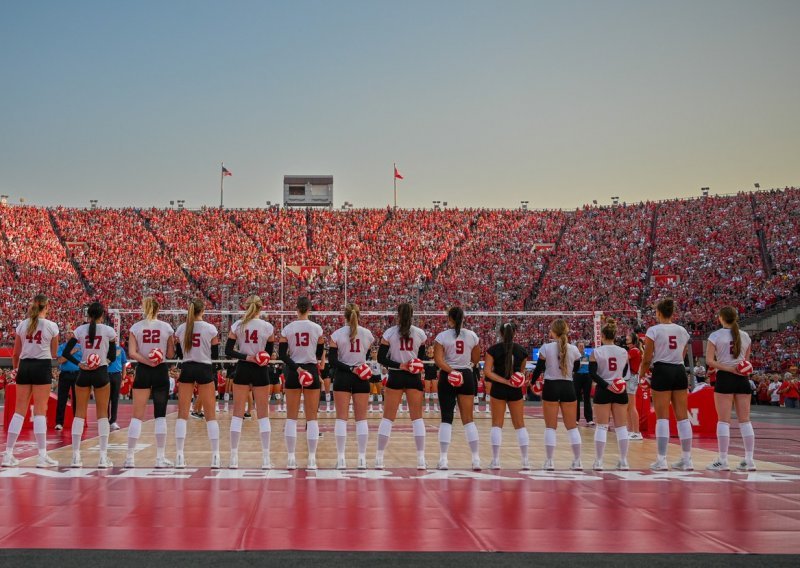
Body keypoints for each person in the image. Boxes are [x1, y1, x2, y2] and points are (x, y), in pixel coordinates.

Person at [2, 295, 60, 468]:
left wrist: (16, 369)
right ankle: (42, 456)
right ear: (46, 307)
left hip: (25, 366)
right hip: (42, 365)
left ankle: (8, 453)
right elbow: (54, 352)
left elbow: (15, 353)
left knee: (19, 411)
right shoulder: (51, 326)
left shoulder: (22, 324)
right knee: (41, 410)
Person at [62, 302, 118, 468]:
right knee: (102, 415)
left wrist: (80, 363)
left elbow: (66, 352)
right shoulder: (109, 331)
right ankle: (102, 457)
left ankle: (75, 456)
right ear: (102, 315)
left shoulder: (79, 330)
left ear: (88, 315)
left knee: (79, 414)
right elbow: (113, 356)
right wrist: (103, 362)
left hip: (84, 372)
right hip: (101, 372)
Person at [639, 298, 692, 471]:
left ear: (659, 313)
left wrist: (641, 375)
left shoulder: (653, 330)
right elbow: (682, 353)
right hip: (679, 370)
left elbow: (647, 358)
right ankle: (687, 459)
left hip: (662, 370)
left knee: (662, 417)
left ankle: (661, 460)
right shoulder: (682, 330)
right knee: (682, 417)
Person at [225, 295, 276, 469]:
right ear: (261, 308)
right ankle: (266, 458)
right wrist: (259, 357)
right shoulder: (267, 327)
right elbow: (268, 354)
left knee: (238, 412)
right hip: (261, 369)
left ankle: (233, 457)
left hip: (244, 367)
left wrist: (247, 356)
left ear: (246, 306)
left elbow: (228, 351)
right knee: (263, 413)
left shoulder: (237, 325)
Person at [124, 297, 176, 468]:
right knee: (160, 415)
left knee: (137, 416)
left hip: (144, 370)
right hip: (160, 370)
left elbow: (132, 353)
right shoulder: (166, 327)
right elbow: (169, 355)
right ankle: (160, 458)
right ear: (158, 309)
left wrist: (147, 361)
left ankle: (130, 458)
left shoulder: (136, 327)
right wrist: (157, 358)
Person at [376, 302, 428, 470]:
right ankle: (421, 459)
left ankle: (379, 458)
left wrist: (400, 365)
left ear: (398, 314)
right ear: (412, 314)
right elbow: (420, 358)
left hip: (396, 375)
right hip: (414, 377)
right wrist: (411, 364)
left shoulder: (390, 333)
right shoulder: (420, 333)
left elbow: (381, 358)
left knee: (388, 418)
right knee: (417, 419)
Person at [706, 306, 756, 471]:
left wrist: (726, 368)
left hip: (725, 378)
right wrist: (736, 368)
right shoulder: (745, 336)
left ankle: (723, 459)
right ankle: (749, 459)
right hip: (743, 379)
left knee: (723, 420)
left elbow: (709, 361)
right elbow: (745, 363)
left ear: (721, 318)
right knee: (745, 421)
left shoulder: (716, 335)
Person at [279, 296, 325, 470]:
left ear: (296, 309)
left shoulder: (288, 328)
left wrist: (297, 369)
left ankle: (291, 458)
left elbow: (283, 354)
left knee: (291, 417)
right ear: (309, 309)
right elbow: (320, 351)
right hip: (311, 370)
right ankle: (311, 458)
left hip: (293, 371)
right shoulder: (317, 328)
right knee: (312, 418)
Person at [174, 298, 221, 468]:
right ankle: (216, 456)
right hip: (204, 368)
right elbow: (215, 355)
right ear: (203, 310)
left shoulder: (181, 328)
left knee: (183, 414)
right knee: (210, 415)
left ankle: (179, 455)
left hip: (187, 367)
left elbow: (179, 354)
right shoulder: (210, 328)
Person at [433, 307, 481, 470]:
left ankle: (444, 459)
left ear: (450, 319)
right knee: (468, 419)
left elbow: (438, 360)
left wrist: (452, 372)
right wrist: (463, 369)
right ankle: (476, 459)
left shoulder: (442, 336)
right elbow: (475, 359)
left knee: (446, 418)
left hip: (448, 376)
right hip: (466, 376)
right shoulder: (472, 336)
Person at [328, 303, 375, 470]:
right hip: (361, 376)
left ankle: (341, 459)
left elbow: (332, 361)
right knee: (361, 419)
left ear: (345, 316)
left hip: (343, 375)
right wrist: (357, 367)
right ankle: (361, 459)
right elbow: (366, 354)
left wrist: (349, 368)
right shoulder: (368, 334)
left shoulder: (337, 334)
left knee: (342, 418)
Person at [531, 319, 582, 470]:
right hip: (568, 386)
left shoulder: (546, 348)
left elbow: (539, 368)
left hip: (551, 386)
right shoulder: (573, 349)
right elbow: (577, 368)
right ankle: (578, 461)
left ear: (553, 332)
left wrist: (532, 382)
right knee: (572, 427)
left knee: (550, 427)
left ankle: (549, 461)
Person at [483, 322, 530, 470]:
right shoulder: (522, 351)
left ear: (501, 333)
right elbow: (521, 373)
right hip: (515, 390)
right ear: (515, 333)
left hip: (498, 388)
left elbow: (487, 372)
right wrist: (516, 381)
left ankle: (496, 460)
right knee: (520, 424)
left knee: (497, 424)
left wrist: (504, 381)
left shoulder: (493, 350)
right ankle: (525, 461)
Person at [588, 318, 630, 471]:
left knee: (601, 427)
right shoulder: (624, 352)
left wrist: (606, 385)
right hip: (620, 390)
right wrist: (616, 382)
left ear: (603, 335)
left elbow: (592, 374)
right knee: (621, 427)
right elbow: (624, 372)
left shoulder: (596, 352)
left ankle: (599, 461)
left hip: (604, 390)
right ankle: (624, 461)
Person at [55, 329, 81, 431]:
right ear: (65, 335)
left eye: (71, 332)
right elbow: (60, 360)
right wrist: (71, 352)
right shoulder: (62, 347)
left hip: (77, 374)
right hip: (65, 374)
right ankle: (59, 423)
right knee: (62, 399)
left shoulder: (80, 347)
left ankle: (77, 422)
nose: (69, 334)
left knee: (77, 399)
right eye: (68, 332)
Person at [625, 332, 644, 440]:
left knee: (632, 406)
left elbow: (623, 360)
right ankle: (631, 430)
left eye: (628, 338)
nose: (626, 339)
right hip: (630, 378)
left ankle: (636, 431)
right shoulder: (633, 350)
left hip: (631, 378)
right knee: (629, 407)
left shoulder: (634, 350)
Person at [107, 340, 128, 431]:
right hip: (105, 374)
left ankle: (113, 421)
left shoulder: (120, 349)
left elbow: (124, 364)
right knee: (105, 399)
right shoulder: (104, 348)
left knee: (115, 399)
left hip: (116, 375)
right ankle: (105, 419)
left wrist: (123, 378)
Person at [573, 341, 594, 426]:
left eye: (583, 346)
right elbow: (572, 368)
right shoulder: (575, 357)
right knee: (576, 398)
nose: (582, 347)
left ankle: (589, 419)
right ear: (577, 347)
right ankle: (576, 418)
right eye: (580, 346)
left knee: (587, 397)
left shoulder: (587, 356)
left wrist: (592, 379)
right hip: (577, 376)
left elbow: (591, 368)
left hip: (587, 376)